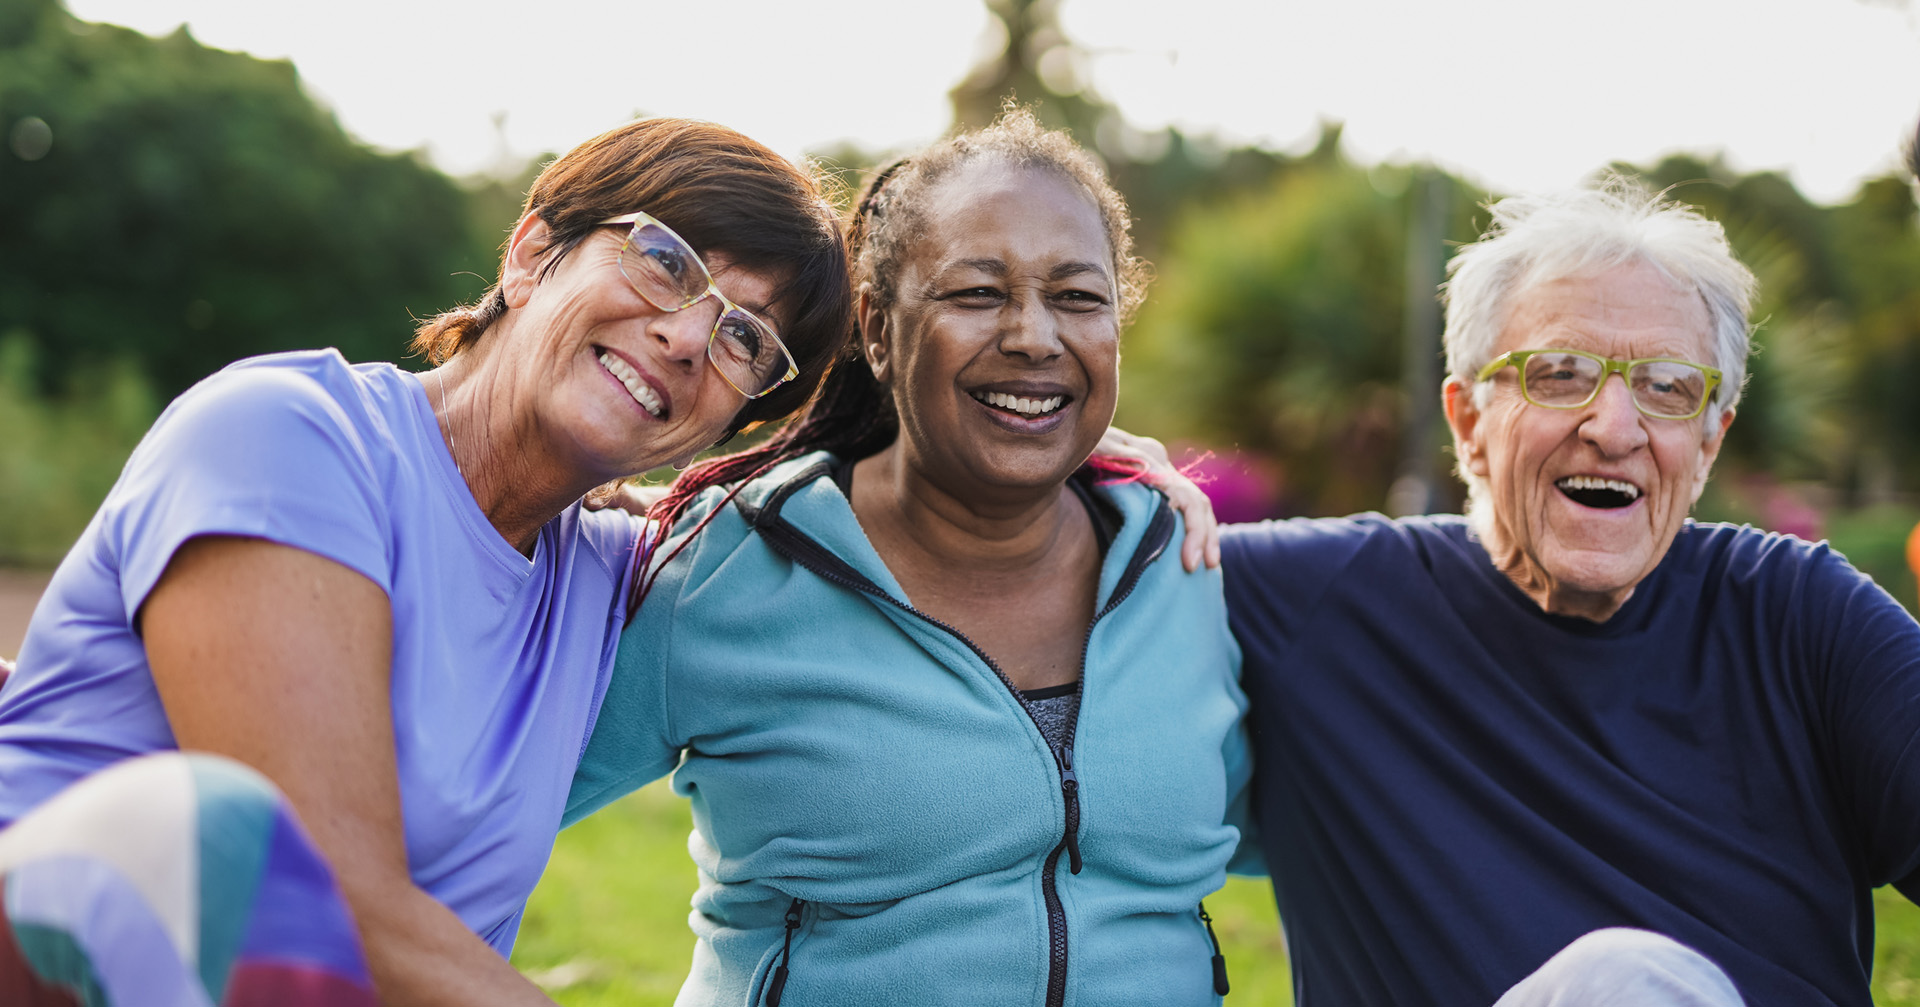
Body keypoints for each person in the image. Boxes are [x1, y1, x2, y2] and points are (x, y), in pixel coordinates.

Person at [0, 118, 852, 1006]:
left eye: (745, 338)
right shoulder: (288, 436)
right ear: (531, 256)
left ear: (730, 421)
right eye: (667, 262)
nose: (687, 337)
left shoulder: (620, 580)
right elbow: (335, 907)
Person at [565, 111, 1256, 1006]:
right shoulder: (723, 568)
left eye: (1079, 298)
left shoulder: (1180, 562)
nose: (1035, 335)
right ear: (878, 330)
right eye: (977, 293)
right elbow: (462, 822)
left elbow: (1297, 827)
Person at [1205, 178, 1920, 1005]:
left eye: (1666, 387)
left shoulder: (1804, 621)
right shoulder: (1313, 602)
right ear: (1469, 423)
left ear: (1709, 442)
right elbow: (1052, 534)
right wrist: (1134, 483)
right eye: (1559, 373)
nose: (1615, 428)